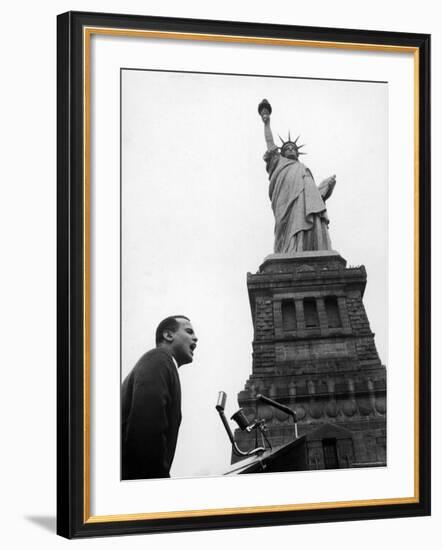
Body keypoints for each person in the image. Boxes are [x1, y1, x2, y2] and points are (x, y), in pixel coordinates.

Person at [121, 315, 198, 480]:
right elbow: (146, 428)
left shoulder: (162, 363)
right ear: (168, 335)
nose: (196, 338)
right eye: (189, 331)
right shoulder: (159, 360)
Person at [258, 99, 336, 254]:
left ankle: (305, 247)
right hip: (285, 202)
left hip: (303, 205)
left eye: (294, 148)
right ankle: (291, 249)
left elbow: (314, 198)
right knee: (288, 224)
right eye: (287, 148)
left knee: (307, 218)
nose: (291, 150)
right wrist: (266, 123)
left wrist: (325, 187)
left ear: (298, 153)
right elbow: (270, 143)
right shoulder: (278, 162)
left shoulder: (303, 169)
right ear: (282, 153)